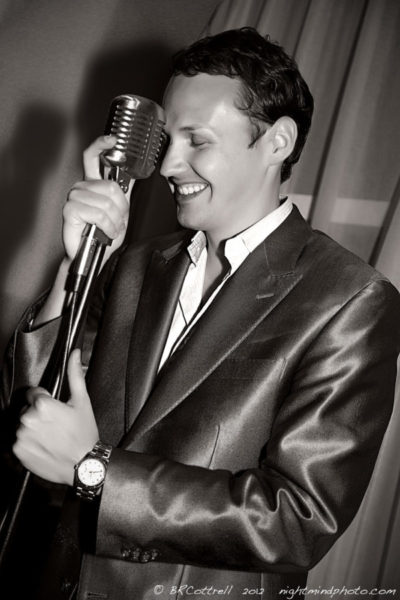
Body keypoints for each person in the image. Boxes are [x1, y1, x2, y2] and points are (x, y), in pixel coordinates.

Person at [1, 27, 400, 600]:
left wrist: (95, 471)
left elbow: (297, 520)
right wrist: (77, 265)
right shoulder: (136, 264)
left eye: (197, 140)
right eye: (167, 139)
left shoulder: (350, 299)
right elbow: (31, 403)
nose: (169, 164)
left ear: (278, 142)